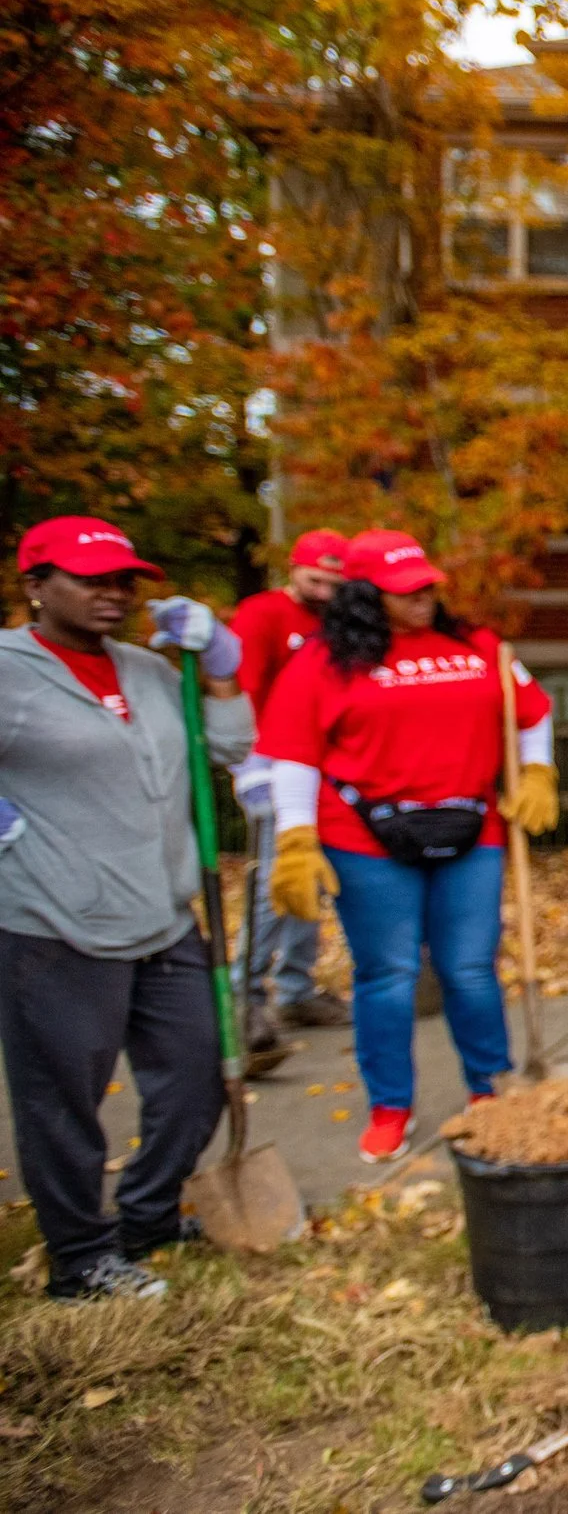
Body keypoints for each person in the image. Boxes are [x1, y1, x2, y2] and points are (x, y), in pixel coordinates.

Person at [0, 517, 251, 1300]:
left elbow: (231, 748)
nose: (113, 593)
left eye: (123, 580)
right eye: (90, 579)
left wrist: (218, 672)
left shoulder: (151, 669)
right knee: (63, 1099)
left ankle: (147, 1214)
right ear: (35, 585)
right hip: (57, 920)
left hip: (166, 912)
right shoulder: (8, 671)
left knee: (197, 1073)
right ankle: (80, 1256)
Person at [259, 530, 558, 1164]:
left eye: (427, 588)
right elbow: (292, 753)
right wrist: (294, 837)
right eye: (405, 592)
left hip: (471, 829)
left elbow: (533, 713)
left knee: (470, 969)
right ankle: (391, 1107)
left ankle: (491, 1090)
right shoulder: (323, 660)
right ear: (366, 595)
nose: (422, 599)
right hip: (365, 839)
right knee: (388, 975)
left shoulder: (479, 646)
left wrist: (537, 772)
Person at [227, 528, 350, 1031]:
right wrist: (250, 764)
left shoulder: (339, 622)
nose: (324, 593)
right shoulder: (262, 614)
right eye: (315, 580)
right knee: (275, 882)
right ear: (293, 570)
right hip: (272, 763)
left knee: (311, 881)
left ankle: (297, 989)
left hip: (325, 767)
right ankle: (245, 997)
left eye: (334, 585)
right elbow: (241, 691)